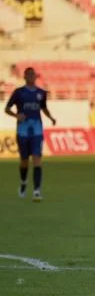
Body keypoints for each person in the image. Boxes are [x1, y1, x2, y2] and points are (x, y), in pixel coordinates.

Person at [4, 67, 56, 201]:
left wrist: (51, 118)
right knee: (24, 161)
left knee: (37, 159)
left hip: (37, 130)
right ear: (25, 76)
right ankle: (23, 182)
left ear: (36, 77)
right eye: (29, 74)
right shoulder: (18, 92)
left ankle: (37, 191)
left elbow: (44, 108)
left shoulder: (41, 93)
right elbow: (7, 109)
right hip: (22, 131)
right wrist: (16, 116)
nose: (32, 76)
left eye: (34, 74)